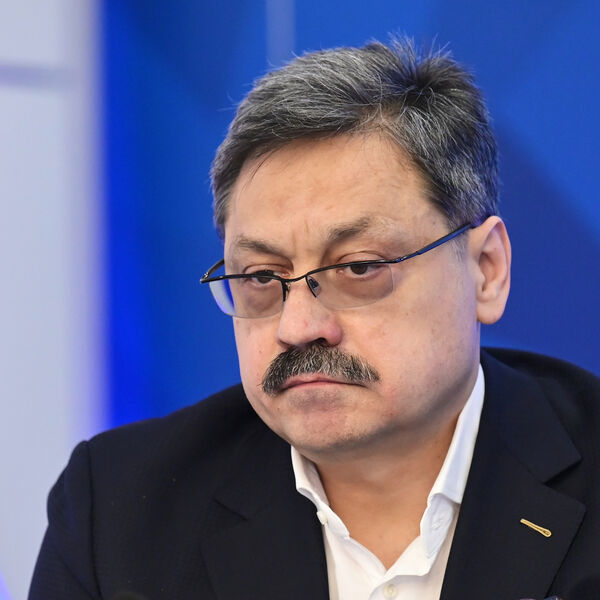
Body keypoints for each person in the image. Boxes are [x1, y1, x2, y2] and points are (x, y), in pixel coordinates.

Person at [29, 38, 600, 600]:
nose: (298, 327)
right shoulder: (119, 511)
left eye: (357, 267)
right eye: (261, 277)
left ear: (485, 270)